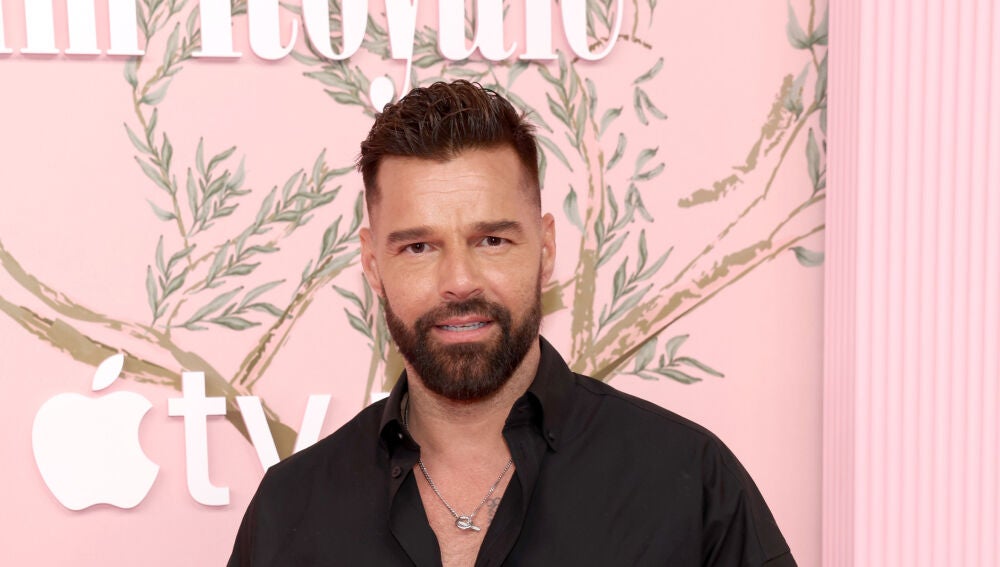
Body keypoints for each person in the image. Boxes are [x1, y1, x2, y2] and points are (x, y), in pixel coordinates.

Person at [227, 80, 795, 566]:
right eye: (419, 247)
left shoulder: (688, 485)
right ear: (373, 265)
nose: (459, 280)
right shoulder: (289, 510)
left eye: (492, 240)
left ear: (545, 250)